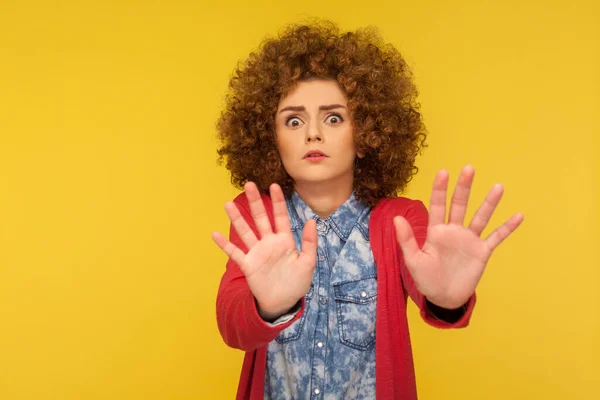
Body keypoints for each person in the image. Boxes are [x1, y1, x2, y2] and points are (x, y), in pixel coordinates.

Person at [211, 20, 524, 400]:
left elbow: (434, 286)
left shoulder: (401, 221)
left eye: (333, 117)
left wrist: (447, 299)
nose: (313, 133)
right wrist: (266, 306)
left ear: (366, 135)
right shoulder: (255, 216)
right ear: (270, 138)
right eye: (293, 120)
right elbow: (233, 325)